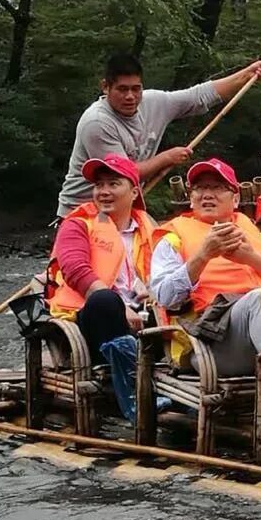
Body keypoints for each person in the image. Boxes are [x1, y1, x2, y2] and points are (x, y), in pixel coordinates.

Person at [56, 50, 261, 219]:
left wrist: (248, 74)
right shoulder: (97, 122)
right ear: (105, 87)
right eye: (122, 89)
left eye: (136, 89)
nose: (130, 97)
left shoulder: (153, 102)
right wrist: (167, 158)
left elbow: (199, 96)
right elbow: (123, 175)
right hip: (82, 213)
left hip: (122, 210)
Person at [47, 155, 158, 419]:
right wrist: (120, 307)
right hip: (93, 319)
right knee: (105, 301)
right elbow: (75, 270)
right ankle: (134, 393)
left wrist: (152, 290)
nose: (104, 191)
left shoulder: (149, 227)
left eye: (113, 184)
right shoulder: (77, 224)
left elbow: (166, 271)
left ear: (134, 192)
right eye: (99, 185)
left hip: (145, 316)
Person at [150, 158, 261, 377]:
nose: (207, 195)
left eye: (218, 188)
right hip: (209, 340)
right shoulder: (172, 238)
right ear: (191, 198)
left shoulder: (260, 237)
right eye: (200, 188)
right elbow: (164, 297)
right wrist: (203, 256)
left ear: (236, 198)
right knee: (260, 298)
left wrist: (250, 258)